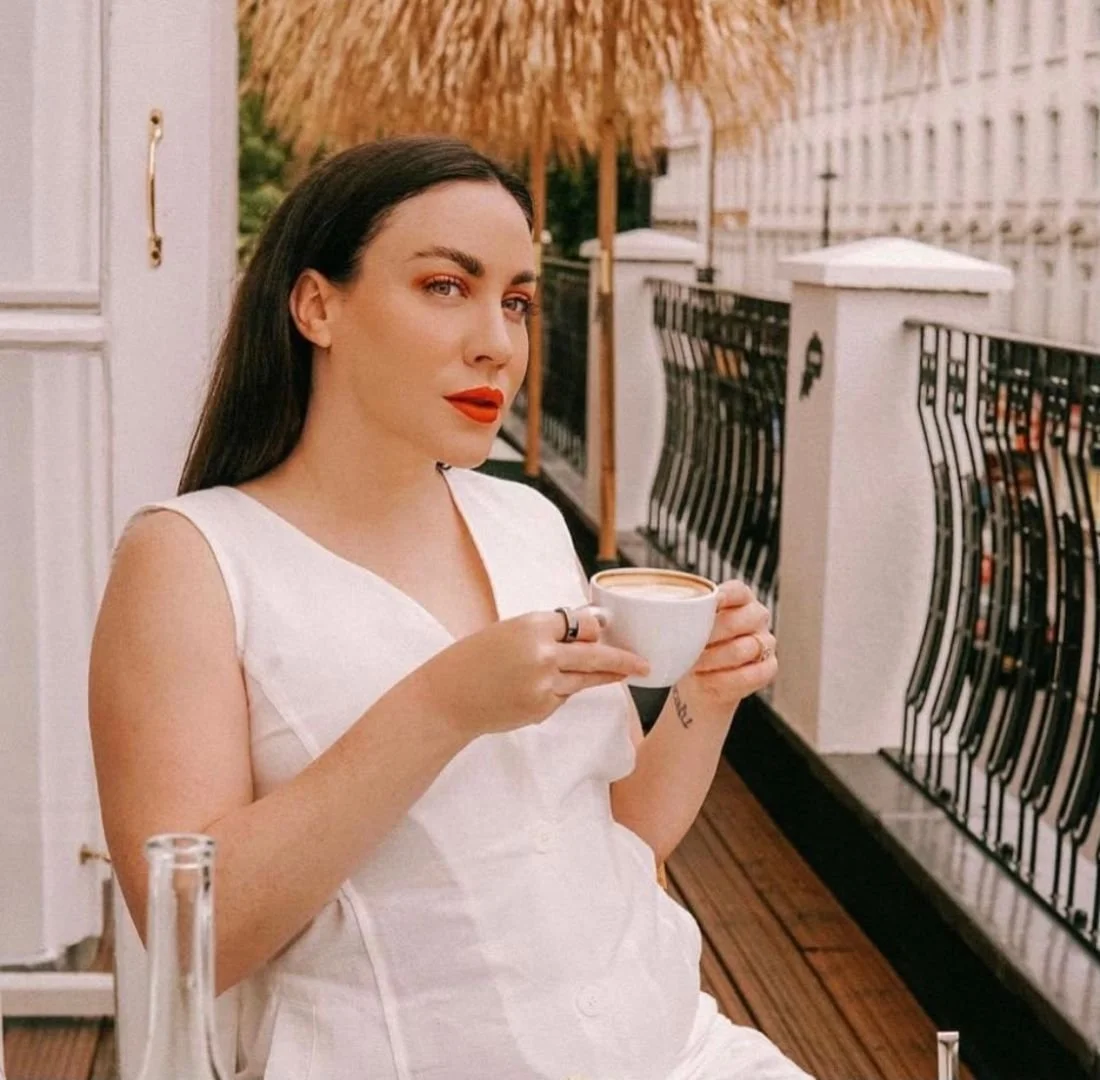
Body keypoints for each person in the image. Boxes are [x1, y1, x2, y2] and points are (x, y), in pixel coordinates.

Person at [88, 135, 808, 1080]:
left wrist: (703, 699)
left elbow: (610, 832)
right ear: (316, 306)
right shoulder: (192, 560)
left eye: (515, 301)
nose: (498, 343)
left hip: (674, 1041)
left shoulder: (527, 521)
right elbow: (194, 938)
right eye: (444, 287)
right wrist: (442, 708)